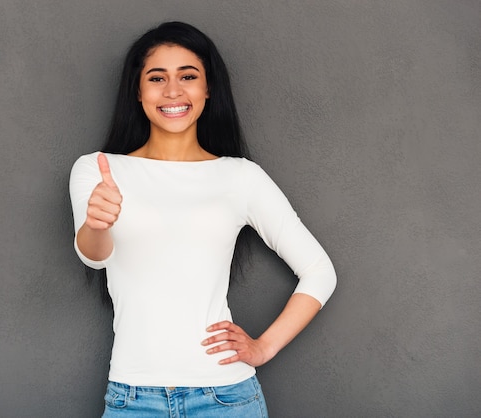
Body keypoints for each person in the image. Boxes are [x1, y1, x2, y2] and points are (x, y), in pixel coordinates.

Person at [69, 21, 336, 417]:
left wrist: (264, 347)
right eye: (157, 77)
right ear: (138, 91)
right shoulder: (98, 169)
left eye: (188, 76)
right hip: (133, 399)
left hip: (226, 398)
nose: (173, 91)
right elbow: (95, 256)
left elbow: (319, 271)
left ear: (207, 89)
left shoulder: (240, 176)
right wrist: (97, 223)